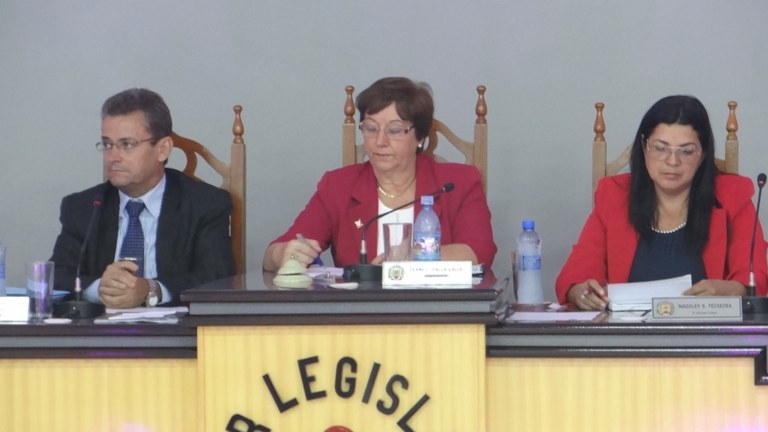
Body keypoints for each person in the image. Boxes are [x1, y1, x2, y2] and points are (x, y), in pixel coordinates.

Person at [556, 95, 768, 310]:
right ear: (644, 147)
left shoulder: (733, 197)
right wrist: (582, 293)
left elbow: (754, 277)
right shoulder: (613, 195)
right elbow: (576, 275)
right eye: (660, 148)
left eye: (686, 151)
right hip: (626, 330)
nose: (672, 161)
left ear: (703, 154)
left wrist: (733, 290)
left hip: (707, 329)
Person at [263, 77, 496, 271]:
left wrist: (415, 255)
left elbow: (479, 252)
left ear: (420, 137)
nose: (380, 141)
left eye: (394, 130)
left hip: (439, 310)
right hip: (360, 311)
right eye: (371, 128)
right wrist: (284, 254)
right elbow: (273, 255)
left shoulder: (458, 183)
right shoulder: (339, 186)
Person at [51, 88, 235, 307]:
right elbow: (56, 277)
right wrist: (100, 287)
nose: (113, 157)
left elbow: (218, 277)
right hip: (100, 325)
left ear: (163, 149)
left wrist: (150, 290)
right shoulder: (84, 207)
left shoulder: (205, 204)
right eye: (107, 144)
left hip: (180, 326)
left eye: (127, 144)